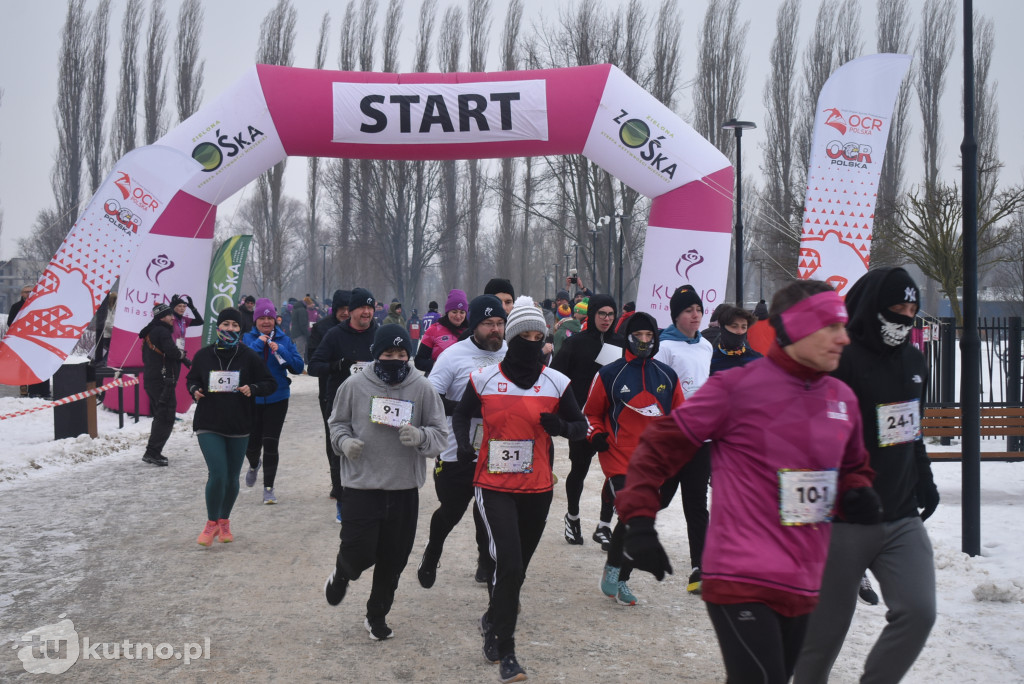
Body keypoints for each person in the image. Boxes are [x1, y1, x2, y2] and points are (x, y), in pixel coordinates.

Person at [617, 279, 879, 684]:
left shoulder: (842, 399)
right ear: (795, 328)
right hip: (741, 576)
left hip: (805, 580)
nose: (843, 338)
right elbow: (658, 445)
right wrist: (638, 520)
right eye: (830, 327)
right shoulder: (736, 388)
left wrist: (856, 491)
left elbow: (852, 466)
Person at [794, 268, 938, 684]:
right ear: (873, 307)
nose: (904, 319)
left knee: (918, 611)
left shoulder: (913, 359)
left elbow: (910, 429)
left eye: (912, 310)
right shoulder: (836, 359)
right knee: (821, 639)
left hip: (899, 514)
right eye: (896, 309)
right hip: (839, 521)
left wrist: (923, 476)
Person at [453, 296, 587, 683]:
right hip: (493, 484)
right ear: (510, 339)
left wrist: (560, 428)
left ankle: (493, 617)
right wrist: (464, 443)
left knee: (518, 569)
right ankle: (506, 649)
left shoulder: (557, 382)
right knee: (508, 563)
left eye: (537, 335)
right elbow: (462, 413)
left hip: (538, 488)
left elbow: (581, 428)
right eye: (524, 336)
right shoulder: (483, 379)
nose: (532, 341)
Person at [323, 324, 448, 640]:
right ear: (375, 354)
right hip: (362, 485)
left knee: (394, 560)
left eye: (401, 354)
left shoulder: (422, 388)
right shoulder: (353, 386)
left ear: (409, 355)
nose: (395, 359)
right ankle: (343, 571)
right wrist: (344, 442)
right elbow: (336, 423)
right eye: (388, 353)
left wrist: (421, 436)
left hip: (403, 488)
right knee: (360, 551)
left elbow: (439, 436)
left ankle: (376, 615)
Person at [583, 312, 683, 605]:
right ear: (627, 337)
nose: (643, 341)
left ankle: (621, 575)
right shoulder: (609, 373)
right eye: (637, 335)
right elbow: (590, 412)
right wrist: (596, 435)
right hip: (619, 456)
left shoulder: (667, 375)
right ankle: (615, 572)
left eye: (648, 336)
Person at [416, 294, 508, 591]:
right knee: (452, 510)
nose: (495, 330)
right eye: (487, 324)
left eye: (499, 324)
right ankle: (433, 551)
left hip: (499, 451)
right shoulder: (453, 355)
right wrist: (468, 409)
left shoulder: (509, 352)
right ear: (474, 324)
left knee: (491, 512)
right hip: (457, 451)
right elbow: (430, 400)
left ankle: (487, 561)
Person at [186, 307, 277, 546]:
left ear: (241, 329)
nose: (230, 329)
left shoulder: (249, 356)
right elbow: (192, 379)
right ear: (218, 328)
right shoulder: (204, 355)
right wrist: (194, 390)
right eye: (226, 324)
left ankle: (224, 521)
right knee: (218, 473)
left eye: (235, 326)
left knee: (231, 477)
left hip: (239, 423)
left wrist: (253, 389)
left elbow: (269, 383)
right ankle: (210, 523)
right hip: (209, 422)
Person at [653, 285, 714, 593]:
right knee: (660, 497)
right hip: (673, 437)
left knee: (696, 504)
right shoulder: (664, 347)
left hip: (701, 439)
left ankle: (699, 569)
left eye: (699, 310)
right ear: (676, 315)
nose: (696, 315)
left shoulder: (706, 347)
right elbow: (658, 392)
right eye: (689, 310)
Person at [551, 293, 623, 547]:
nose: (606, 319)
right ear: (592, 314)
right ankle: (573, 517)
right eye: (601, 314)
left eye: (610, 314)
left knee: (615, 474)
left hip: (613, 419)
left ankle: (604, 525)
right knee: (579, 470)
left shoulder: (621, 342)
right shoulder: (576, 343)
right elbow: (557, 376)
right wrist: (566, 411)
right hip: (582, 418)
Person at [309, 288, 380, 522]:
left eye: (371, 307)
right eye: (363, 308)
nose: (367, 312)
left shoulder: (379, 334)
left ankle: (370, 498)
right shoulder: (334, 335)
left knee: (372, 450)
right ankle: (342, 501)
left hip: (373, 403)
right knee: (341, 452)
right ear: (351, 311)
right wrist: (337, 365)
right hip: (341, 402)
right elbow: (314, 366)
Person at [242, 298, 305, 504]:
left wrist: (281, 350)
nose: (267, 322)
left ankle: (268, 488)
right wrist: (259, 344)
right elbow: (242, 363)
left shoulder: (284, 340)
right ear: (256, 320)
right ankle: (253, 464)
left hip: (278, 398)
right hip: (252, 398)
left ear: (275, 319)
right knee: (251, 444)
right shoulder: (247, 339)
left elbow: (297, 367)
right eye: (262, 318)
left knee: (271, 443)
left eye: (270, 318)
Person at [308, 289, 351, 501]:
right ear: (334, 309)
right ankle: (337, 484)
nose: (345, 313)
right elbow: (312, 362)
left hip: (358, 392)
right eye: (341, 309)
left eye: (348, 308)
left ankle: (354, 481)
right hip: (329, 392)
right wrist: (336, 365)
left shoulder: (361, 328)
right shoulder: (321, 328)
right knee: (333, 438)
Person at [138, 303, 190, 466]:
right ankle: (153, 452)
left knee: (161, 415)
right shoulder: (162, 331)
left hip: (153, 379)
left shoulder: (150, 331)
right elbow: (172, 352)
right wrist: (182, 355)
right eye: (170, 315)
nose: (173, 318)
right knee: (166, 416)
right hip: (162, 380)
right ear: (162, 317)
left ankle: (153, 451)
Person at [414, 289, 469, 374]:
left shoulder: (472, 331)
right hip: (438, 380)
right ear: (447, 312)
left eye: (462, 312)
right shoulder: (434, 330)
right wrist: (437, 365)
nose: (458, 316)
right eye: (454, 312)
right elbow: (419, 361)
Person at [709, 305, 762, 375]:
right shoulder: (709, 360)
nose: (739, 331)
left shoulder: (757, 359)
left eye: (743, 327)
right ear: (722, 328)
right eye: (734, 326)